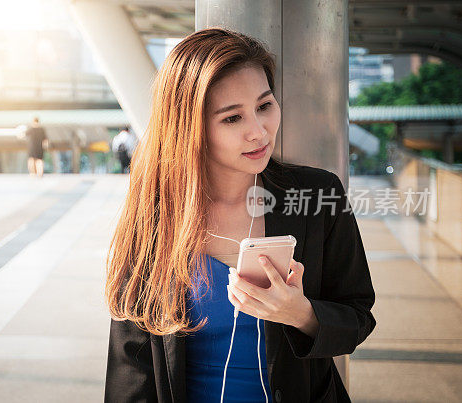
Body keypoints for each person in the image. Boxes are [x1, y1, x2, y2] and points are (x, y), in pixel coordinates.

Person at [104, 28, 376, 402]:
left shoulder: (317, 194)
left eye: (264, 106)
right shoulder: (157, 211)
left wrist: (302, 314)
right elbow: (130, 363)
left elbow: (358, 317)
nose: (258, 131)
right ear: (191, 127)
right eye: (232, 118)